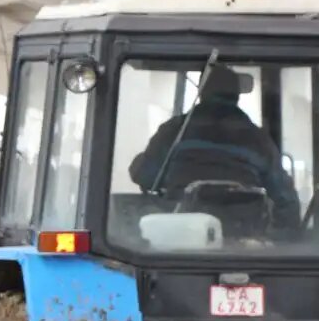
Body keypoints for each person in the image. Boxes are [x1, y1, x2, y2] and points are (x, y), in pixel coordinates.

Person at [128, 64, 301, 235]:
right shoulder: (260, 141)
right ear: (236, 96)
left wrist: (139, 164)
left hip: (182, 236)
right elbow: (285, 198)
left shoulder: (174, 130)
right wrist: (279, 239)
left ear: (202, 92)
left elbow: (146, 175)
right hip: (245, 241)